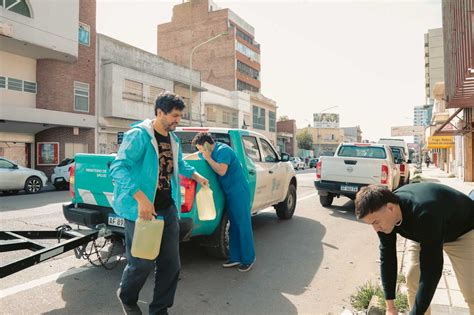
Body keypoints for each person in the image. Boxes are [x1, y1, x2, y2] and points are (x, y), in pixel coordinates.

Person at [110, 91, 209, 315]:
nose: (178, 120)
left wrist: (197, 177)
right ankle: (126, 295)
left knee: (171, 265)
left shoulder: (173, 138)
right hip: (141, 210)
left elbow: (180, 164)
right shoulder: (139, 136)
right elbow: (118, 168)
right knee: (142, 263)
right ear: (159, 112)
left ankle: (160, 309)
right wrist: (141, 198)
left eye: (180, 116)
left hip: (167, 208)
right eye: (174, 115)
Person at [355, 183, 473, 315]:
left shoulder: (424, 213)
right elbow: (387, 256)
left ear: (390, 208)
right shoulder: (386, 218)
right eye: (371, 224)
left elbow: (432, 270)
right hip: (425, 233)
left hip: (462, 231)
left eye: (376, 222)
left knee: (471, 289)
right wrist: (390, 307)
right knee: (413, 278)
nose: (376, 229)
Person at [191, 132, 256, 272]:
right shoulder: (211, 152)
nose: (200, 152)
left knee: (242, 225)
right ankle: (236, 257)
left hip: (239, 192)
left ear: (207, 145)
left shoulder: (223, 150)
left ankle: (248, 259)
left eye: (201, 148)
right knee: (233, 226)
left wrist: (207, 158)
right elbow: (196, 158)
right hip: (229, 193)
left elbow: (221, 171)